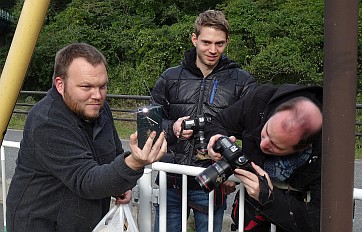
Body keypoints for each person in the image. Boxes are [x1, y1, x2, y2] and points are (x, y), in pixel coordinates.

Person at [6, 43, 167, 232]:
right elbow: (86, 180)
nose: (97, 95)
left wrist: (119, 185)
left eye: (102, 86)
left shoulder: (99, 108)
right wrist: (134, 163)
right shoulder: (47, 122)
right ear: (60, 84)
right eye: (86, 87)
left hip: (84, 222)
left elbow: (112, 156)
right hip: (40, 224)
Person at [150, 10, 256, 232]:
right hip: (171, 175)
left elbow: (253, 134)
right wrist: (173, 128)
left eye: (219, 43)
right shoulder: (170, 77)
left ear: (227, 42)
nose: (213, 50)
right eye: (206, 42)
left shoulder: (241, 81)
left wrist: (231, 171)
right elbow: (150, 121)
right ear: (194, 39)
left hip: (212, 178)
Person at [206, 83, 323, 232]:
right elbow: (217, 122)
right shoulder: (260, 100)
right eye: (266, 131)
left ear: (301, 148)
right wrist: (219, 141)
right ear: (274, 112)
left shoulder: (329, 149)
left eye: (276, 146)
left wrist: (268, 198)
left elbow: (318, 223)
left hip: (292, 219)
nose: (263, 144)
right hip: (249, 214)